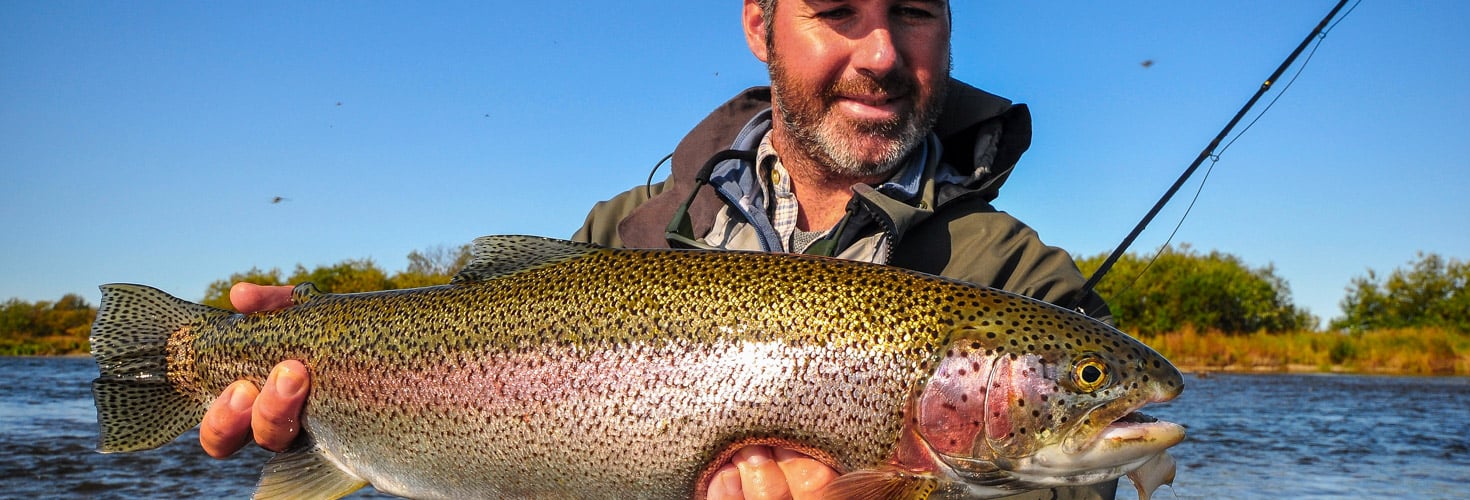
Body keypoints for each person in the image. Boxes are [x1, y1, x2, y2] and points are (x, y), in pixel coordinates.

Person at [201, 1, 1115, 498]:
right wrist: (313, 373)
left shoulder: (1021, 282)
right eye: (838, 10)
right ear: (759, 25)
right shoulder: (623, 234)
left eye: (914, 9)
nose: (881, 51)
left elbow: (1089, 491)